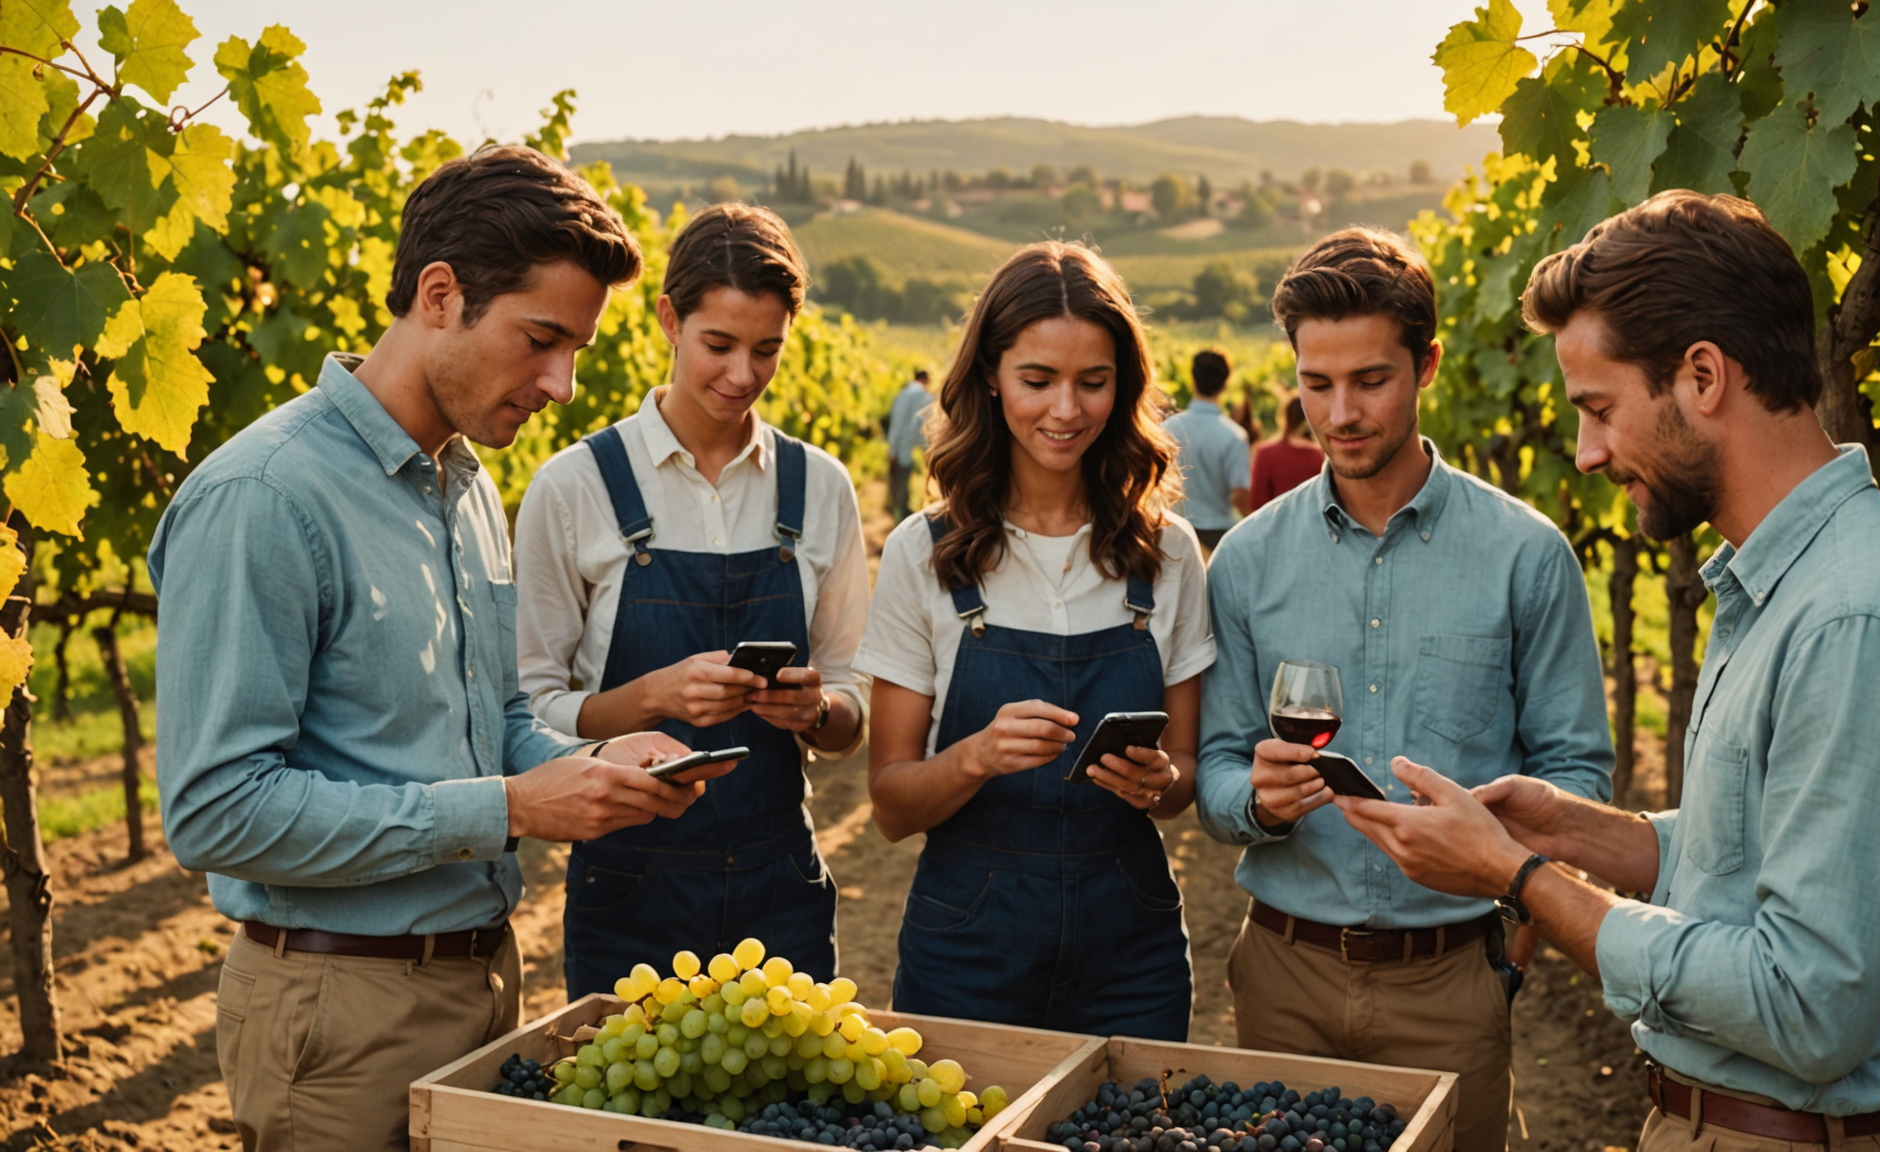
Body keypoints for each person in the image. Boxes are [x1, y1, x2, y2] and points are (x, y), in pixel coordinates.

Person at [1338, 191, 1880, 1152]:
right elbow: (1767, 852)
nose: (1585, 454)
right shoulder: (1788, 587)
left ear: (1703, 376)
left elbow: (1806, 1007)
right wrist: (1581, 831)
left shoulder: (1859, 620)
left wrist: (1522, 877)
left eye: (1600, 410)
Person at [149, 145, 718, 1152]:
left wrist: (588, 770)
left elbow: (489, 724)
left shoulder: (467, 488)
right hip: (336, 1013)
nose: (563, 383)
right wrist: (508, 809)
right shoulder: (266, 498)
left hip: (482, 983)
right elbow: (215, 813)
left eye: (575, 348)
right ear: (441, 295)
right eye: (542, 339)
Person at [1195, 226, 1614, 1152]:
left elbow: (1576, 771)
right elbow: (1216, 768)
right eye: (1316, 385)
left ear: (1425, 365)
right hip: (1283, 975)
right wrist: (1256, 805)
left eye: (1370, 381)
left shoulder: (1526, 555)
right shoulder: (1246, 562)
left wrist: (1516, 941)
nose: (1340, 413)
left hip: (1456, 980)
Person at [857, 241, 1217, 1039]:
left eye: (1094, 382)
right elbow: (888, 803)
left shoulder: (1168, 554)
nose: (1066, 409)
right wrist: (976, 756)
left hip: (1134, 951)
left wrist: (1158, 779)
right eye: (1038, 380)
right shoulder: (926, 552)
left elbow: (1184, 782)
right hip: (966, 950)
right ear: (990, 375)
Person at [514, 203, 869, 996]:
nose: (742, 375)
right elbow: (531, 709)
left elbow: (852, 706)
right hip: (629, 887)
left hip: (781, 885)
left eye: (767, 350)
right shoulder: (574, 487)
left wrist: (815, 713)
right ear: (670, 320)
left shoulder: (819, 488)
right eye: (719, 345)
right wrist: (650, 698)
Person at [1164, 349, 1250, 550]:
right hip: (1219, 535)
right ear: (1225, 383)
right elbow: (1239, 495)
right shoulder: (1234, 436)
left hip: (1175, 532)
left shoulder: (1168, 428)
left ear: (1193, 379)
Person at [1249, 395, 1325, 509]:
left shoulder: (1265, 452)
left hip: (1275, 522)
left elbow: (1257, 500)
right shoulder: (1318, 453)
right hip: (1311, 521)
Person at [887, 368, 934, 522]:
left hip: (899, 446)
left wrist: (892, 449)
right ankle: (905, 520)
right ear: (925, 381)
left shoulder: (902, 394)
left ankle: (899, 517)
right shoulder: (921, 395)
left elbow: (896, 424)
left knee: (900, 484)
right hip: (908, 447)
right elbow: (920, 424)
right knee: (905, 485)